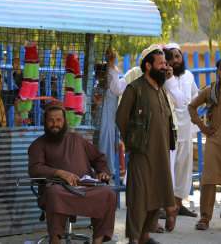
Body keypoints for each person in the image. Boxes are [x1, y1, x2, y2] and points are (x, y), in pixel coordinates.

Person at [28, 100, 117, 244]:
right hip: (58, 190)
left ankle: (98, 241)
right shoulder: (38, 145)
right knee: (55, 194)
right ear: (45, 121)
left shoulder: (77, 139)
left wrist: (102, 172)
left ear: (65, 121)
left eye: (58, 120)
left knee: (109, 195)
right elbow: (34, 169)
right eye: (51, 120)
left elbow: (98, 157)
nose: (55, 124)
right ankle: (55, 240)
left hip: (85, 187)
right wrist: (59, 172)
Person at [116, 45, 176, 244]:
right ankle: (134, 239)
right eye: (161, 64)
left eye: (166, 64)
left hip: (161, 154)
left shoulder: (160, 89)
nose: (165, 67)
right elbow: (121, 118)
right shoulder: (136, 88)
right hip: (141, 154)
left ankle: (144, 237)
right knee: (139, 198)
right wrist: (133, 141)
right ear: (148, 66)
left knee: (155, 195)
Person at [166, 43, 199, 217]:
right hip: (168, 129)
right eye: (170, 57)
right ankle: (166, 207)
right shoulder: (162, 77)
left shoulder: (189, 75)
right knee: (167, 167)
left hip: (186, 129)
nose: (174, 60)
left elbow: (195, 93)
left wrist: (192, 105)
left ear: (182, 57)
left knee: (184, 167)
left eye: (177, 56)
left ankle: (179, 204)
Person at [189, 59, 221, 230]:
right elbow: (192, 107)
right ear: (217, 71)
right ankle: (204, 218)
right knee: (208, 178)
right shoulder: (210, 91)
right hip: (214, 140)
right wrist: (201, 126)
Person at [91, 48, 119, 177]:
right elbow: (89, 115)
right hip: (96, 132)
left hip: (110, 133)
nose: (105, 79)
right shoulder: (93, 92)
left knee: (108, 161)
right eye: (102, 76)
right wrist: (96, 105)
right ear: (97, 76)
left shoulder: (113, 92)